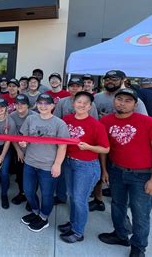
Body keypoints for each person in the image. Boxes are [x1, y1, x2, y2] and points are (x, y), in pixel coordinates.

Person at [98, 88, 152, 257]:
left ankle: (138, 247)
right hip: (116, 171)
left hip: (142, 175)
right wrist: (105, 170)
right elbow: (104, 149)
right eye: (119, 99)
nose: (122, 103)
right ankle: (120, 234)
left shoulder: (149, 123)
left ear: (136, 105)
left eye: (128, 100)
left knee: (140, 213)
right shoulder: (106, 121)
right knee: (117, 205)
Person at [92, 69, 148, 211]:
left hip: (123, 145)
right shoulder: (97, 97)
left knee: (122, 184)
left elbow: (143, 124)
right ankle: (98, 200)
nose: (110, 81)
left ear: (123, 80)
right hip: (101, 142)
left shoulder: (134, 99)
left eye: (114, 79)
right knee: (100, 173)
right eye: (107, 79)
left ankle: (123, 216)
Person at [59, 91, 109, 243]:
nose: (81, 105)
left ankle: (78, 232)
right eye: (78, 102)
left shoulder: (96, 124)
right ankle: (73, 223)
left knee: (80, 199)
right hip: (68, 162)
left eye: (85, 103)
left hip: (86, 166)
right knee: (73, 196)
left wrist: (88, 147)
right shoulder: (66, 120)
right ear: (73, 103)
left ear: (90, 106)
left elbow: (105, 149)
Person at [19, 93, 69, 232]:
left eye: (46, 103)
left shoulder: (59, 123)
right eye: (40, 103)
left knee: (47, 195)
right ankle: (35, 212)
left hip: (48, 165)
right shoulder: (30, 119)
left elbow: (62, 146)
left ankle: (43, 217)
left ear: (53, 106)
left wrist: (57, 164)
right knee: (28, 191)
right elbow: (26, 137)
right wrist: (23, 143)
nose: (43, 106)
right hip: (30, 162)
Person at [9, 94, 36, 205]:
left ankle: (32, 198)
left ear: (28, 105)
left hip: (33, 150)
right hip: (19, 149)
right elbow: (12, 136)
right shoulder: (11, 116)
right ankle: (22, 193)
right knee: (20, 173)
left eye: (23, 104)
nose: (19, 106)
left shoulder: (34, 116)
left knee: (32, 176)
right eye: (17, 104)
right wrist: (18, 150)